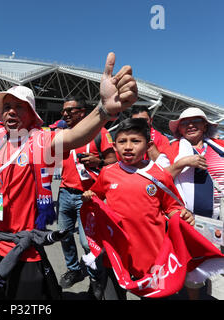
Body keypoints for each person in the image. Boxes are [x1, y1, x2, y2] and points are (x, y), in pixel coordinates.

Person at [0, 50, 138, 299]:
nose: (11, 112)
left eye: (18, 107)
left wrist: (103, 110)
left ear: (31, 113)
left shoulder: (39, 140)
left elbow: (74, 136)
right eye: (7, 107)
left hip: (22, 249)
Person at [82, 118, 194, 300]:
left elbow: (172, 207)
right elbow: (95, 197)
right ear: (115, 146)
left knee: (155, 297)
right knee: (113, 295)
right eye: (122, 141)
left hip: (153, 254)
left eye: (135, 141)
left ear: (148, 145)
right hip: (116, 253)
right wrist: (88, 197)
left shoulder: (160, 175)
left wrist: (181, 214)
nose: (128, 147)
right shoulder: (107, 173)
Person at [57, 96, 117, 290]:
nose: (65, 114)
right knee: (64, 236)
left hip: (88, 195)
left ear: (83, 112)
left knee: (87, 242)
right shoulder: (62, 135)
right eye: (63, 111)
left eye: (70, 111)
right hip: (65, 192)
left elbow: (114, 161)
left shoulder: (100, 132)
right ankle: (74, 269)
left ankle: (95, 277)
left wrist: (98, 161)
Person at [165, 107, 224, 299]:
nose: (190, 125)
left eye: (196, 120)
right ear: (179, 129)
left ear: (205, 124)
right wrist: (182, 163)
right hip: (192, 218)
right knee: (195, 269)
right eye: (184, 122)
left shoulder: (219, 146)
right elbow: (160, 181)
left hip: (220, 214)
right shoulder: (172, 149)